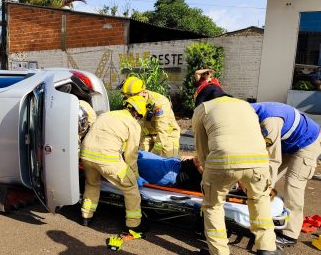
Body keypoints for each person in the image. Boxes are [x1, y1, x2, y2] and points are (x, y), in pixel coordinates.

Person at [192, 85, 280, 255]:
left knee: (213, 206)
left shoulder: (203, 109)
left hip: (222, 162)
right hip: (259, 162)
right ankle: (267, 248)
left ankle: (219, 252)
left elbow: (202, 149)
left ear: (202, 99)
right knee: (260, 201)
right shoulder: (246, 106)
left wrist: (205, 169)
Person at [252, 102, 320, 247]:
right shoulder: (248, 113)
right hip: (287, 141)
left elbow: (271, 160)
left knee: (293, 184)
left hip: (307, 142)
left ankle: (290, 234)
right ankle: (268, 215)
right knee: (264, 181)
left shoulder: (268, 121)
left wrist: (261, 184)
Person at [80, 95, 149, 233]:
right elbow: (131, 154)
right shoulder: (133, 123)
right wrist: (134, 175)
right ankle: (134, 224)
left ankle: (86, 216)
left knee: (92, 184)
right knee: (130, 187)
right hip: (107, 159)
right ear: (138, 113)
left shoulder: (107, 114)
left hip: (86, 155)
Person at [121, 76, 181, 157]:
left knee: (169, 164)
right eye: (127, 97)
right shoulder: (131, 100)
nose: (130, 100)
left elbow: (162, 132)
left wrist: (154, 154)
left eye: (131, 96)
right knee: (142, 162)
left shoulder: (159, 103)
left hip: (167, 136)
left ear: (143, 92)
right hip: (147, 135)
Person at [137, 150, 203, 192]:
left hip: (175, 174)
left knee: (135, 163)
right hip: (175, 163)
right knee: (135, 153)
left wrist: (199, 162)